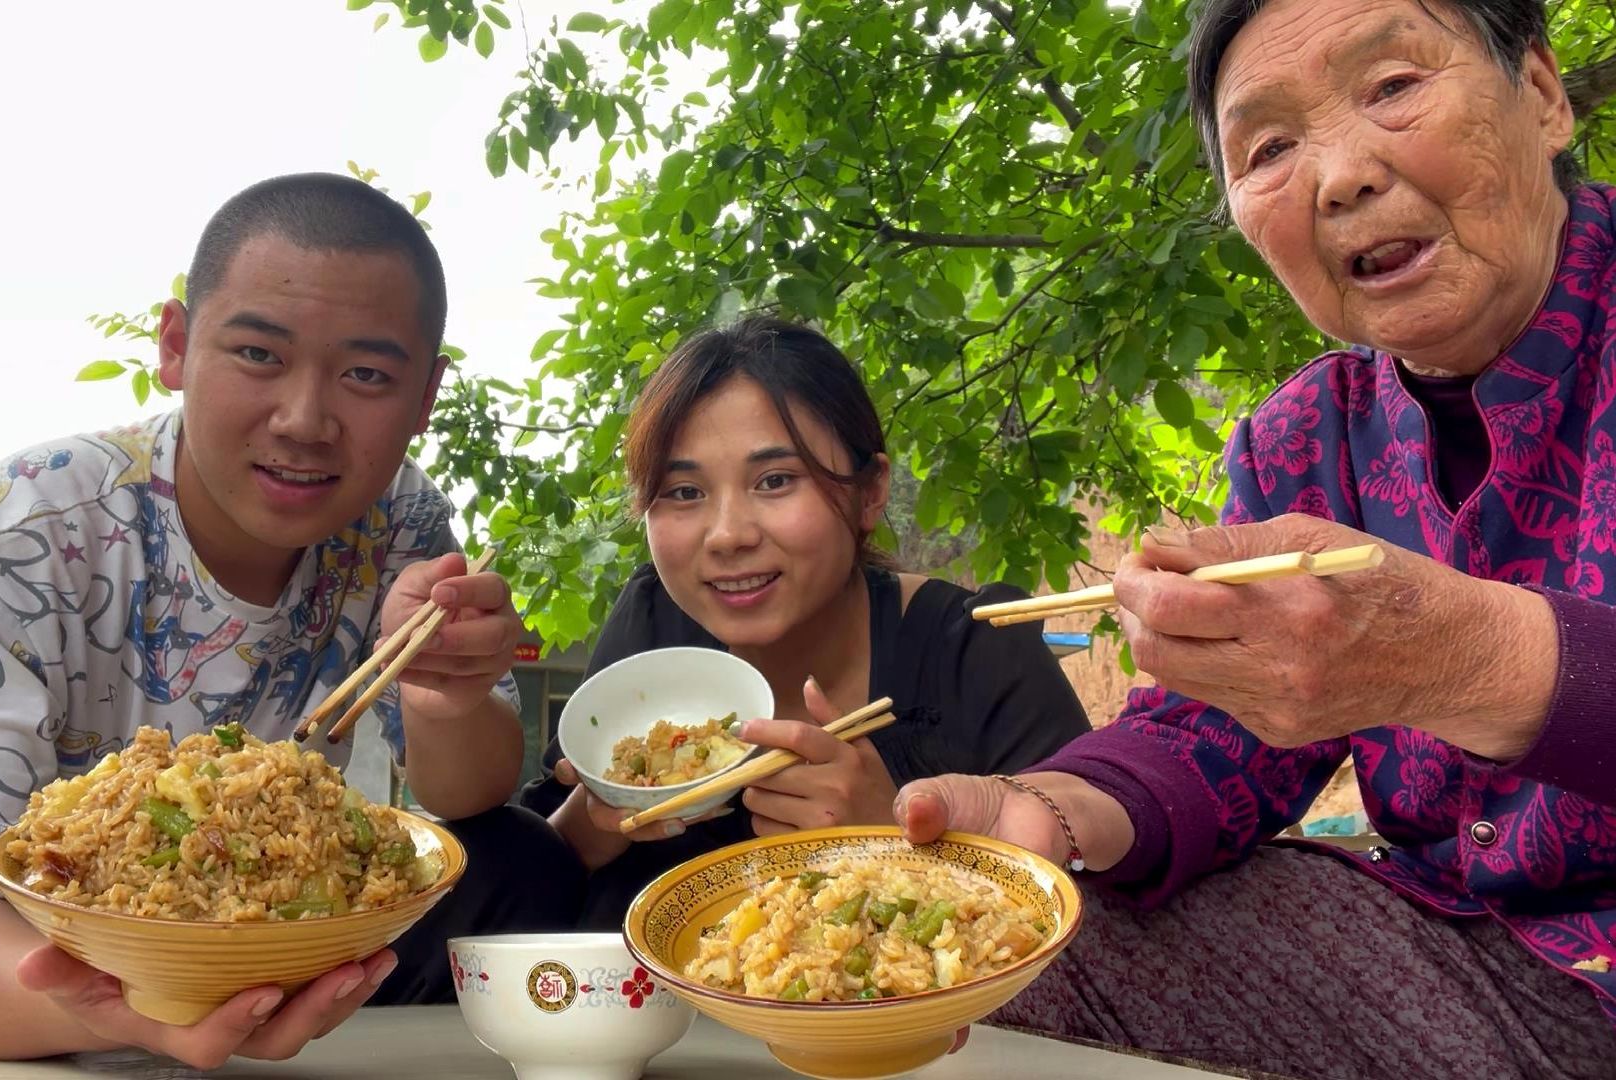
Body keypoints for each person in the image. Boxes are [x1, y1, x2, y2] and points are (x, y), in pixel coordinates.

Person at [894, 2, 1616, 1077]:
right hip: (1473, 972)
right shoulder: (1299, 438)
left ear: (1546, 96)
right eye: (1270, 148)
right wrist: (1050, 808)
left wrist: (1463, 655)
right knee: (998, 943)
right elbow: (1215, 731)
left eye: (1392, 87)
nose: (1339, 176)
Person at [0, 173, 580, 1068]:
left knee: (522, 862)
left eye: (367, 375)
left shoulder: (400, 522)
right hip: (38, 971)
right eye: (258, 354)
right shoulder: (0, 553)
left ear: (424, 400)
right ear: (175, 346)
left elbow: (463, 796)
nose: (303, 421)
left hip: (285, 938)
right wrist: (146, 1010)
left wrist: (447, 693)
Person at [519, 316, 1091, 928]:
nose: (728, 535)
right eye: (684, 492)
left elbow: (1086, 914)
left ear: (869, 493)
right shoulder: (652, 622)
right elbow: (540, 885)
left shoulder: (978, 647)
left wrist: (892, 835)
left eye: (776, 480)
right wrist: (598, 820)